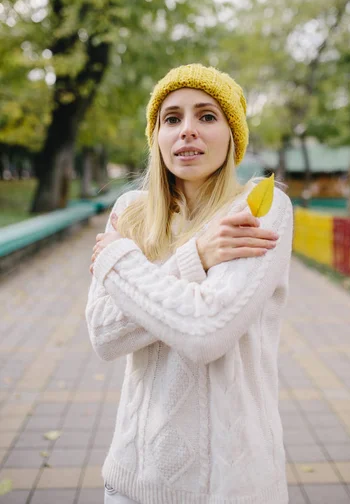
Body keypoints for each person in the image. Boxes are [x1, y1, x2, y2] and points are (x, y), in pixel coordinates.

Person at [86, 63, 293, 504]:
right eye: (172, 119)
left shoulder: (260, 207)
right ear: (157, 136)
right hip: (131, 479)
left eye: (207, 116)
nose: (187, 131)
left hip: (230, 484)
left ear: (232, 136)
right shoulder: (132, 211)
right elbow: (103, 333)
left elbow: (206, 332)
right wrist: (196, 257)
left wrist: (119, 261)